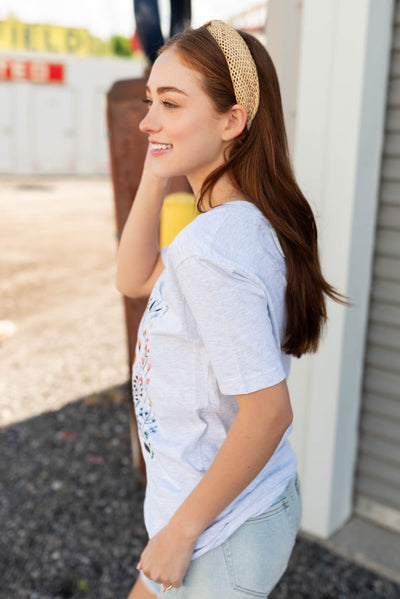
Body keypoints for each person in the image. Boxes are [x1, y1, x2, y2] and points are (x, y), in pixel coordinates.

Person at [116, 20, 345, 599]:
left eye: (169, 103)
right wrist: (158, 157)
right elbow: (132, 277)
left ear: (233, 120)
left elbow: (269, 412)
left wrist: (181, 533)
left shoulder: (210, 248)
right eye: (150, 102)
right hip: (226, 510)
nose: (147, 120)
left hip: (216, 533)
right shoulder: (232, 222)